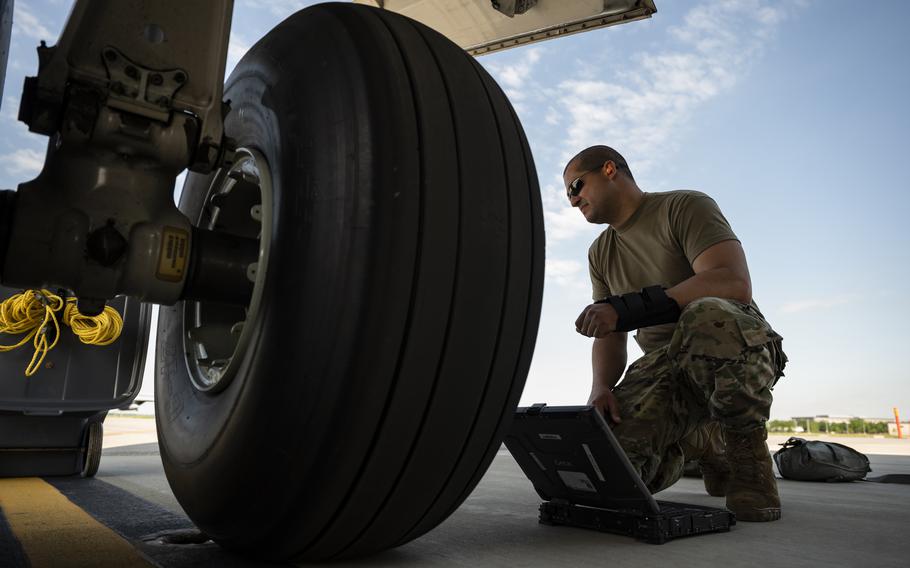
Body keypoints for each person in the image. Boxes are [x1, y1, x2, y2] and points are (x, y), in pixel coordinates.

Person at [564, 145, 787, 522]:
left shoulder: (684, 207)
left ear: (609, 169)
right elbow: (611, 333)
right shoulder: (600, 252)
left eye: (576, 187)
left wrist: (628, 308)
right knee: (609, 472)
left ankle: (749, 463)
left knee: (706, 314)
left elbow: (732, 281)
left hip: (732, 349)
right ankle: (701, 443)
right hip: (664, 368)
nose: (573, 201)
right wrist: (600, 388)